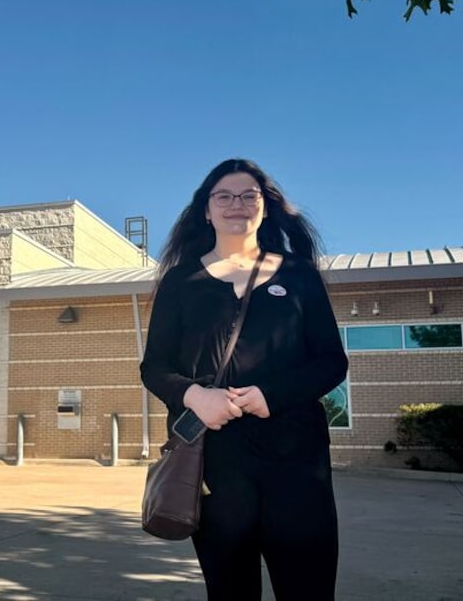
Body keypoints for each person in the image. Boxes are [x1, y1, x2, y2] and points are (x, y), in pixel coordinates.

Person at [140, 158, 348, 600]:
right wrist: (196, 396)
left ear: (265, 208)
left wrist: (271, 395)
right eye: (224, 196)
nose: (236, 204)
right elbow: (154, 367)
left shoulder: (298, 275)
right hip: (214, 464)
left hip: (296, 464)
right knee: (229, 590)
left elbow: (331, 361)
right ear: (206, 210)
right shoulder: (181, 280)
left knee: (308, 589)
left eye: (248, 195)